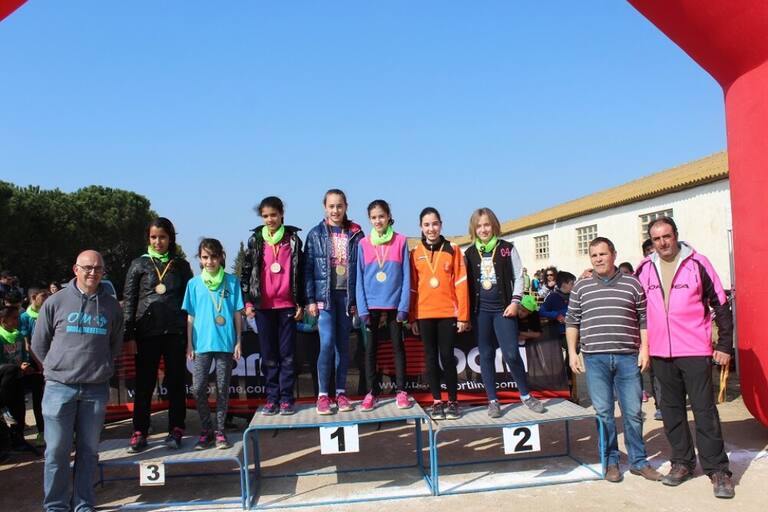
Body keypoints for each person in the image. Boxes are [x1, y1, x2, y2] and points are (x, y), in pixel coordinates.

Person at [636, 217, 735, 498]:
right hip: (660, 352)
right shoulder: (644, 269)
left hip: (694, 349)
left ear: (676, 235)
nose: (662, 243)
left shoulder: (698, 263)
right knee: (671, 411)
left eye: (667, 236)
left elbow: (721, 304)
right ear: (651, 242)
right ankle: (682, 463)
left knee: (704, 411)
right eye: (656, 239)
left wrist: (725, 344)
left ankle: (718, 470)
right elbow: (633, 305)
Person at [31, 250, 124, 512]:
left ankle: (83, 504)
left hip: (95, 389)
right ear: (75, 269)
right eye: (87, 268)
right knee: (56, 451)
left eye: (98, 268)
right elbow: (39, 344)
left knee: (88, 451)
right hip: (59, 388)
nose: (93, 272)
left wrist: (99, 366)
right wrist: (57, 368)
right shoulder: (55, 302)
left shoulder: (111, 306)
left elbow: (115, 344)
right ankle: (56, 505)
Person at [565, 237, 660, 483]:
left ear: (614, 255)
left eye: (603, 254)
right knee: (604, 413)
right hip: (595, 359)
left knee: (633, 412)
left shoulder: (632, 283)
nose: (598, 259)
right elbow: (572, 321)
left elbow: (643, 319)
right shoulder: (581, 287)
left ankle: (639, 461)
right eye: (594, 255)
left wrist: (645, 349)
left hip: (628, 358)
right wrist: (572, 352)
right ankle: (610, 461)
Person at [464, 207, 545, 418]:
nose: (483, 229)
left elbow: (519, 276)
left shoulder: (507, 249)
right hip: (480, 311)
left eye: (487, 225)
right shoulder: (469, 253)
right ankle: (493, 400)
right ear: (474, 229)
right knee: (486, 354)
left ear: (494, 226)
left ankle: (525, 395)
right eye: (479, 226)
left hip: (504, 309)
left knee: (511, 353)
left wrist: (515, 302)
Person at [123, 217, 194, 453]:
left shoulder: (181, 265)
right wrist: (129, 335)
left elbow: (190, 300)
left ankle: (177, 428)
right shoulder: (138, 264)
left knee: (176, 382)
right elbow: (130, 300)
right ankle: (140, 430)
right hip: (146, 333)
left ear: (170, 238)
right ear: (148, 238)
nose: (158, 242)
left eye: (162, 237)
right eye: (153, 237)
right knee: (144, 384)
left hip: (175, 331)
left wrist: (189, 334)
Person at [242, 196, 305, 416]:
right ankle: (271, 399)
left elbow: (301, 273)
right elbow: (246, 273)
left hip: (287, 306)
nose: (270, 219)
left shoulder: (293, 239)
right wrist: (248, 302)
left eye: (273, 215)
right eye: (265, 216)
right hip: (263, 307)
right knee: (268, 356)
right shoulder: (255, 240)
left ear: (281, 215)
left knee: (287, 355)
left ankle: (286, 399)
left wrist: (301, 302)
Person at [304, 189, 364, 415]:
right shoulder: (315, 234)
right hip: (325, 298)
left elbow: (362, 267)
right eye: (331, 206)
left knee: (343, 346)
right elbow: (308, 269)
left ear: (346, 206)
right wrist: (310, 299)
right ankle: (322, 395)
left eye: (339, 206)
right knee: (327, 343)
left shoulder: (356, 233)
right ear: (325, 207)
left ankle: (340, 392)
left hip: (346, 297)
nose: (335, 210)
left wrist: (358, 300)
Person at [183, 238, 244, 450]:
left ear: (221, 257)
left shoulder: (232, 281)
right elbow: (190, 316)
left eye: (214, 257)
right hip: (201, 344)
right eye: (205, 257)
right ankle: (206, 429)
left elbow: (237, 313)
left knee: (222, 388)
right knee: (198, 388)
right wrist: (189, 344)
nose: (209, 261)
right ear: (200, 259)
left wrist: (238, 340)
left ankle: (219, 431)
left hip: (225, 343)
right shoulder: (193, 284)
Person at [409, 207, 469, 420]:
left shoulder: (453, 249)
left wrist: (463, 316)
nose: (431, 228)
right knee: (430, 358)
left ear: (441, 225)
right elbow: (412, 287)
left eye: (434, 224)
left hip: (447, 313)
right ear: (420, 227)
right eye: (426, 225)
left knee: (447, 357)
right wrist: (412, 317)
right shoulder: (415, 253)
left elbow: (461, 282)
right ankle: (436, 401)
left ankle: (452, 401)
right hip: (424, 314)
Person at [356, 199, 412, 412]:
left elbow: (406, 276)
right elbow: (359, 278)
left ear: (389, 216)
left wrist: (404, 306)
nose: (378, 220)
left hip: (394, 304)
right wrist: (362, 309)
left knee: (398, 348)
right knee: (370, 350)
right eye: (374, 217)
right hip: (371, 305)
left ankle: (401, 391)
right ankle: (372, 392)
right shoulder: (363, 244)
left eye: (381, 216)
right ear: (369, 220)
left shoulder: (401, 241)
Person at [18, 287, 49, 446]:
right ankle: (42, 431)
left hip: (52, 362)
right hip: (36, 364)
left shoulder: (49, 312)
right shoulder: (24, 317)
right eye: (43, 297)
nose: (46, 300)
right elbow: (26, 344)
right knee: (38, 398)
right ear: (33, 297)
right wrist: (39, 362)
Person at [540, 271, 577, 400]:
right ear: (565, 284)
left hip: (572, 334)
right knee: (558, 357)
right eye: (572, 283)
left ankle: (569, 383)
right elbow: (542, 311)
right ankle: (562, 382)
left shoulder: (575, 296)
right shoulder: (553, 297)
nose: (574, 285)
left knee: (573, 353)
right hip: (557, 334)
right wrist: (556, 315)